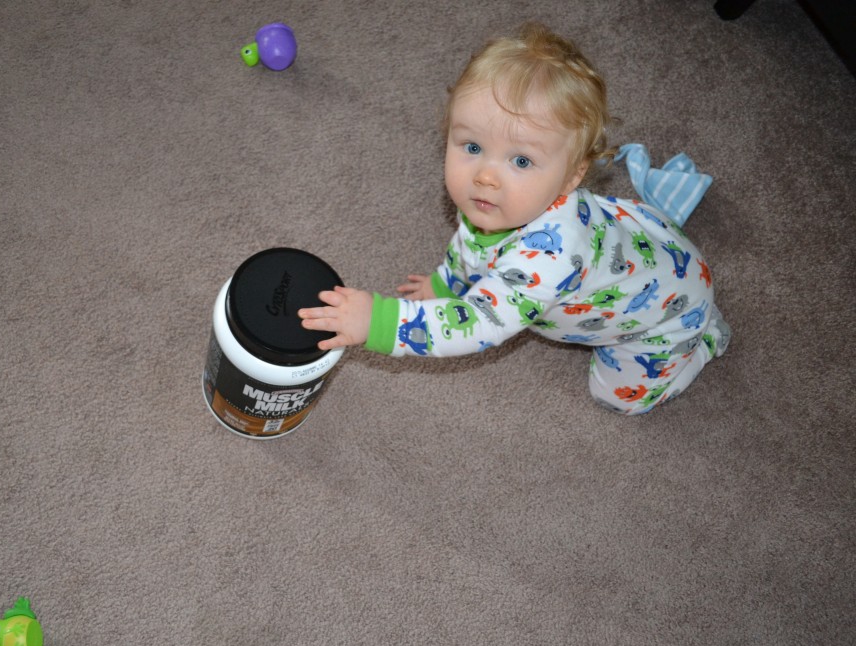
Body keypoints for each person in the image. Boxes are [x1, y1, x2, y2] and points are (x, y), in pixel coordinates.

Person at [298, 22, 730, 414]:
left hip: (668, 314)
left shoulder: (547, 260)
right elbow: (469, 244)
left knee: (617, 399)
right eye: (470, 147)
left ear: (573, 176)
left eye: (521, 160)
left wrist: (378, 321)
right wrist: (445, 284)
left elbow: (475, 325)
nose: (485, 176)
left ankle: (705, 341)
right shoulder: (501, 204)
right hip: (639, 246)